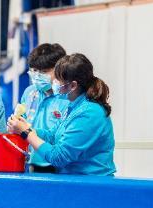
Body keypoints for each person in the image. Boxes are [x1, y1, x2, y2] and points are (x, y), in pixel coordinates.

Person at [8, 53, 116, 176]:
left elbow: (59, 157)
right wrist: (27, 127)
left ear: (73, 85)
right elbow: (52, 136)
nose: (54, 82)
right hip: (73, 179)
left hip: (92, 182)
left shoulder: (89, 113)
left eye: (58, 80)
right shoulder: (72, 106)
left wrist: (26, 133)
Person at [20, 43, 68, 173]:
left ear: (60, 69)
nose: (37, 76)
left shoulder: (67, 97)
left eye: (44, 71)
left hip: (59, 165)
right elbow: (21, 122)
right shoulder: (29, 92)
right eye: (34, 71)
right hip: (30, 162)